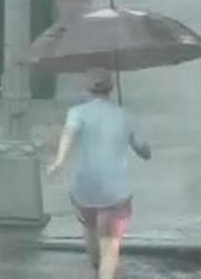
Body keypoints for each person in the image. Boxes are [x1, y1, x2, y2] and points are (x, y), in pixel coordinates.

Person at [47, 67, 151, 279]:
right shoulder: (124, 114)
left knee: (92, 236)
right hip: (115, 191)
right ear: (111, 88)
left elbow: (68, 134)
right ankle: (105, 271)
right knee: (110, 246)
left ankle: (97, 266)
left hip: (85, 189)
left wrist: (59, 161)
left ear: (87, 89)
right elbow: (142, 149)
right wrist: (143, 147)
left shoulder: (77, 113)